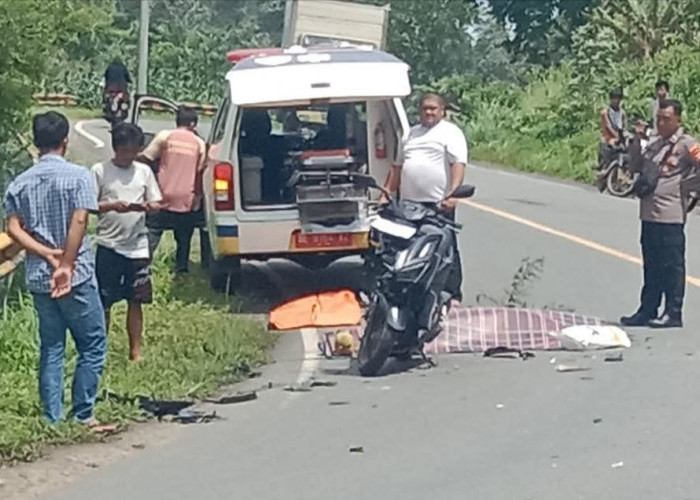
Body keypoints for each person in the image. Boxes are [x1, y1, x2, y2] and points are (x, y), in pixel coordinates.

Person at [3, 112, 109, 429]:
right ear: (66, 140)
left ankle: (52, 418)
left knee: (51, 347)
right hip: (75, 275)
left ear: (36, 143)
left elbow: (13, 228)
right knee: (92, 343)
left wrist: (44, 253)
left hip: (38, 276)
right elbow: (80, 220)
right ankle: (83, 413)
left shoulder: (20, 182)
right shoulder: (79, 176)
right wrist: (65, 262)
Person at [381, 92, 468, 303]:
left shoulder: (450, 133)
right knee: (410, 247)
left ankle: (451, 293)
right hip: (409, 204)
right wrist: (386, 194)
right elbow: (397, 167)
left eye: (433, 108)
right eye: (425, 108)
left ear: (442, 111)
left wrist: (453, 194)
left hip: (438, 203)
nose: (429, 112)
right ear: (419, 111)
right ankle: (415, 292)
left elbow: (458, 164)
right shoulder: (410, 135)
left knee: (445, 249)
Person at [621, 99, 700, 328]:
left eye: (666, 119)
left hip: (671, 214)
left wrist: (689, 187)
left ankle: (673, 312)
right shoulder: (654, 144)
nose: (662, 123)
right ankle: (647, 309)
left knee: (672, 266)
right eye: (659, 118)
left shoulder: (687, 144)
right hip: (649, 214)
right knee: (651, 264)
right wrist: (636, 140)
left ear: (678, 120)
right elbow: (635, 166)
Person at [92, 123, 162, 361]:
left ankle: (135, 351)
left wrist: (151, 207)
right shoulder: (100, 171)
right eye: (125, 151)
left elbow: (155, 200)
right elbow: (90, 206)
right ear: (116, 149)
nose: (129, 156)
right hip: (109, 244)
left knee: (136, 299)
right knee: (105, 300)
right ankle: (100, 349)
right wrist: (112, 206)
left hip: (137, 245)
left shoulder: (143, 171)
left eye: (134, 151)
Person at [139, 107, 206, 273]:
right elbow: (200, 173)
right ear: (193, 124)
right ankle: (181, 270)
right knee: (183, 239)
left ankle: (142, 269)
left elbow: (146, 158)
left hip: (161, 195)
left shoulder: (165, 136)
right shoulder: (199, 143)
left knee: (153, 234)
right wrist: (197, 198)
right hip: (185, 199)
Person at [598, 87, 628, 169]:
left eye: (618, 98)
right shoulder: (605, 112)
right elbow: (608, 126)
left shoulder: (622, 113)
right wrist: (617, 137)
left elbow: (624, 127)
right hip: (608, 137)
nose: (616, 101)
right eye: (614, 98)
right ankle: (603, 165)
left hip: (620, 137)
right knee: (606, 143)